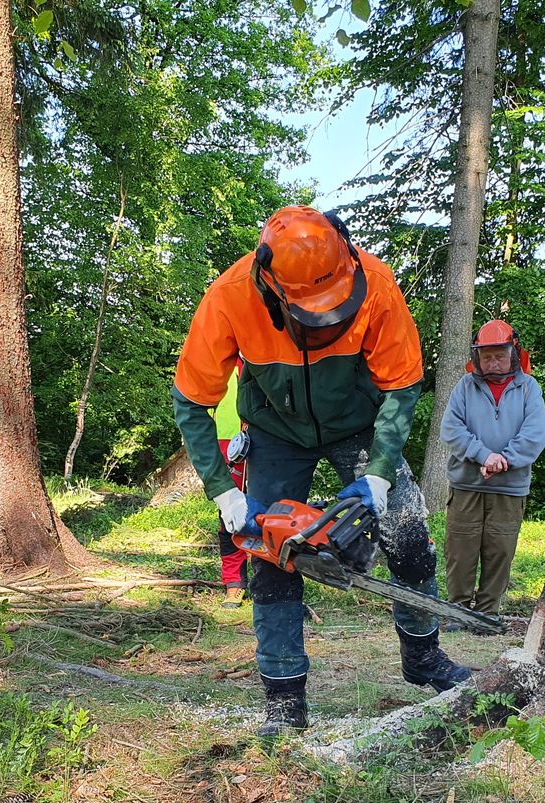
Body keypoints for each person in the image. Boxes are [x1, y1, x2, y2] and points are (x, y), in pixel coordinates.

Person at [172, 205, 471, 738]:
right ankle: (285, 697)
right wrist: (224, 494)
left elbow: (403, 386)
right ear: (271, 281)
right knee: (270, 552)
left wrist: (378, 475)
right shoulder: (230, 296)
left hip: (356, 426)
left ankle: (423, 656)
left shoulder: (375, 285)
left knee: (407, 532)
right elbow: (192, 401)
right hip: (274, 432)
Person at [439, 319, 545, 617]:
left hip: (509, 487)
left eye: (499, 355)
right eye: (486, 356)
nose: (493, 362)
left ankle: (488, 613)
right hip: (466, 484)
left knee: (500, 551)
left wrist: (505, 460)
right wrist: (483, 456)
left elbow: (537, 433)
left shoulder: (528, 388)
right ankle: (458, 611)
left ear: (513, 353)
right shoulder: (465, 387)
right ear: (477, 357)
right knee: (460, 551)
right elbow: (451, 429)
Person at [213, 366, 249, 607]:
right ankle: (234, 583)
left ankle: (275, 582)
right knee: (229, 516)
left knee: (273, 512)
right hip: (227, 444)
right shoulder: (218, 356)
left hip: (271, 440)